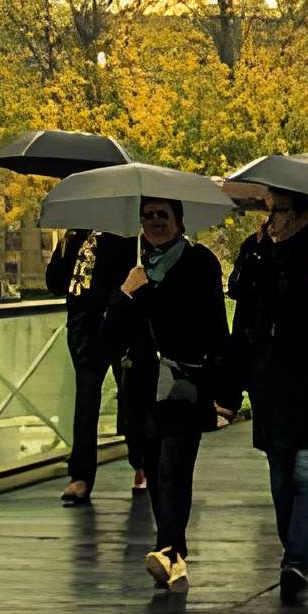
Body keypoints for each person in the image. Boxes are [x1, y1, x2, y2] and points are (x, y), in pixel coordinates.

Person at [230, 192, 308, 604]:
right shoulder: (256, 252)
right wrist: (253, 255)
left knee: (306, 469)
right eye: (270, 211)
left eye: (280, 211)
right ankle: (293, 545)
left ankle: (296, 559)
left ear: (304, 214)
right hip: (269, 383)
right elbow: (239, 302)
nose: (272, 219)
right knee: (280, 473)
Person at [106, 196, 237, 593]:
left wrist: (226, 392)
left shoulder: (201, 263)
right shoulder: (132, 265)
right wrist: (127, 293)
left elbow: (216, 327)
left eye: (163, 215)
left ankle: (165, 548)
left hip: (185, 384)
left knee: (172, 469)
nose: (155, 222)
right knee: (150, 463)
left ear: (179, 220)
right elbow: (109, 333)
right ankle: (175, 554)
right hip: (143, 386)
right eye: (148, 216)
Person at [47, 219, 140, 507]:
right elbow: (54, 283)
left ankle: (140, 462)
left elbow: (130, 278)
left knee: (129, 395)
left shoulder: (125, 235)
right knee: (86, 399)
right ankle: (81, 476)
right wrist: (63, 247)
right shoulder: (74, 237)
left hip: (117, 322)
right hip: (82, 327)